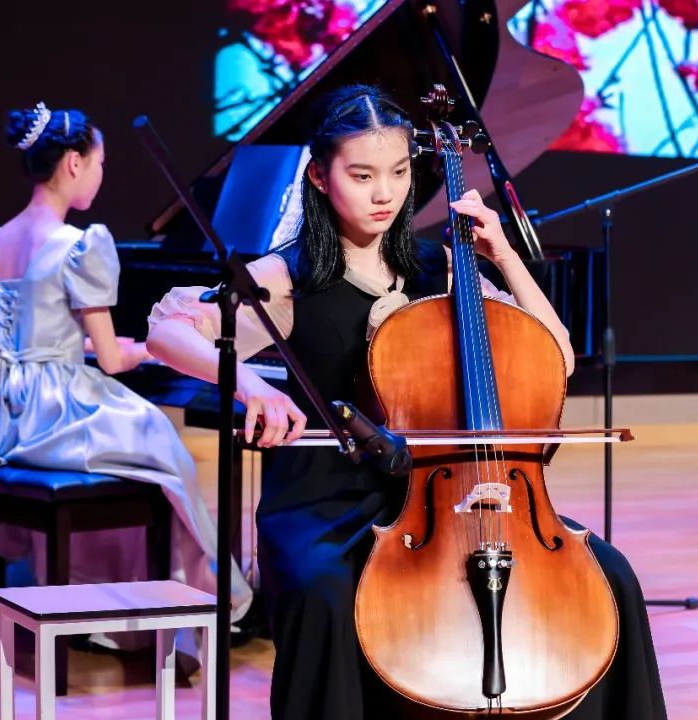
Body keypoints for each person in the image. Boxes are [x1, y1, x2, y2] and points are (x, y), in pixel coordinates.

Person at [147, 85, 667, 719]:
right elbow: (167, 333)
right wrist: (249, 384)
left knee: (612, 575)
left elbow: (553, 353)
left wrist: (503, 254)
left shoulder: (438, 268)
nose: (385, 193)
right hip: (326, 501)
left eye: (398, 172)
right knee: (326, 593)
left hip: (444, 494)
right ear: (320, 177)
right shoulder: (286, 278)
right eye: (362, 175)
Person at [0, 102, 252, 644]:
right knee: (161, 447)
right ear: (74, 162)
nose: (101, 174)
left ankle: (92, 588)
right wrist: (154, 348)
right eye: (100, 162)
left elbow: (36, 334)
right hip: (52, 409)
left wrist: (100, 346)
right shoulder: (78, 246)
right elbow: (114, 361)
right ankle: (179, 598)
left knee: (138, 453)